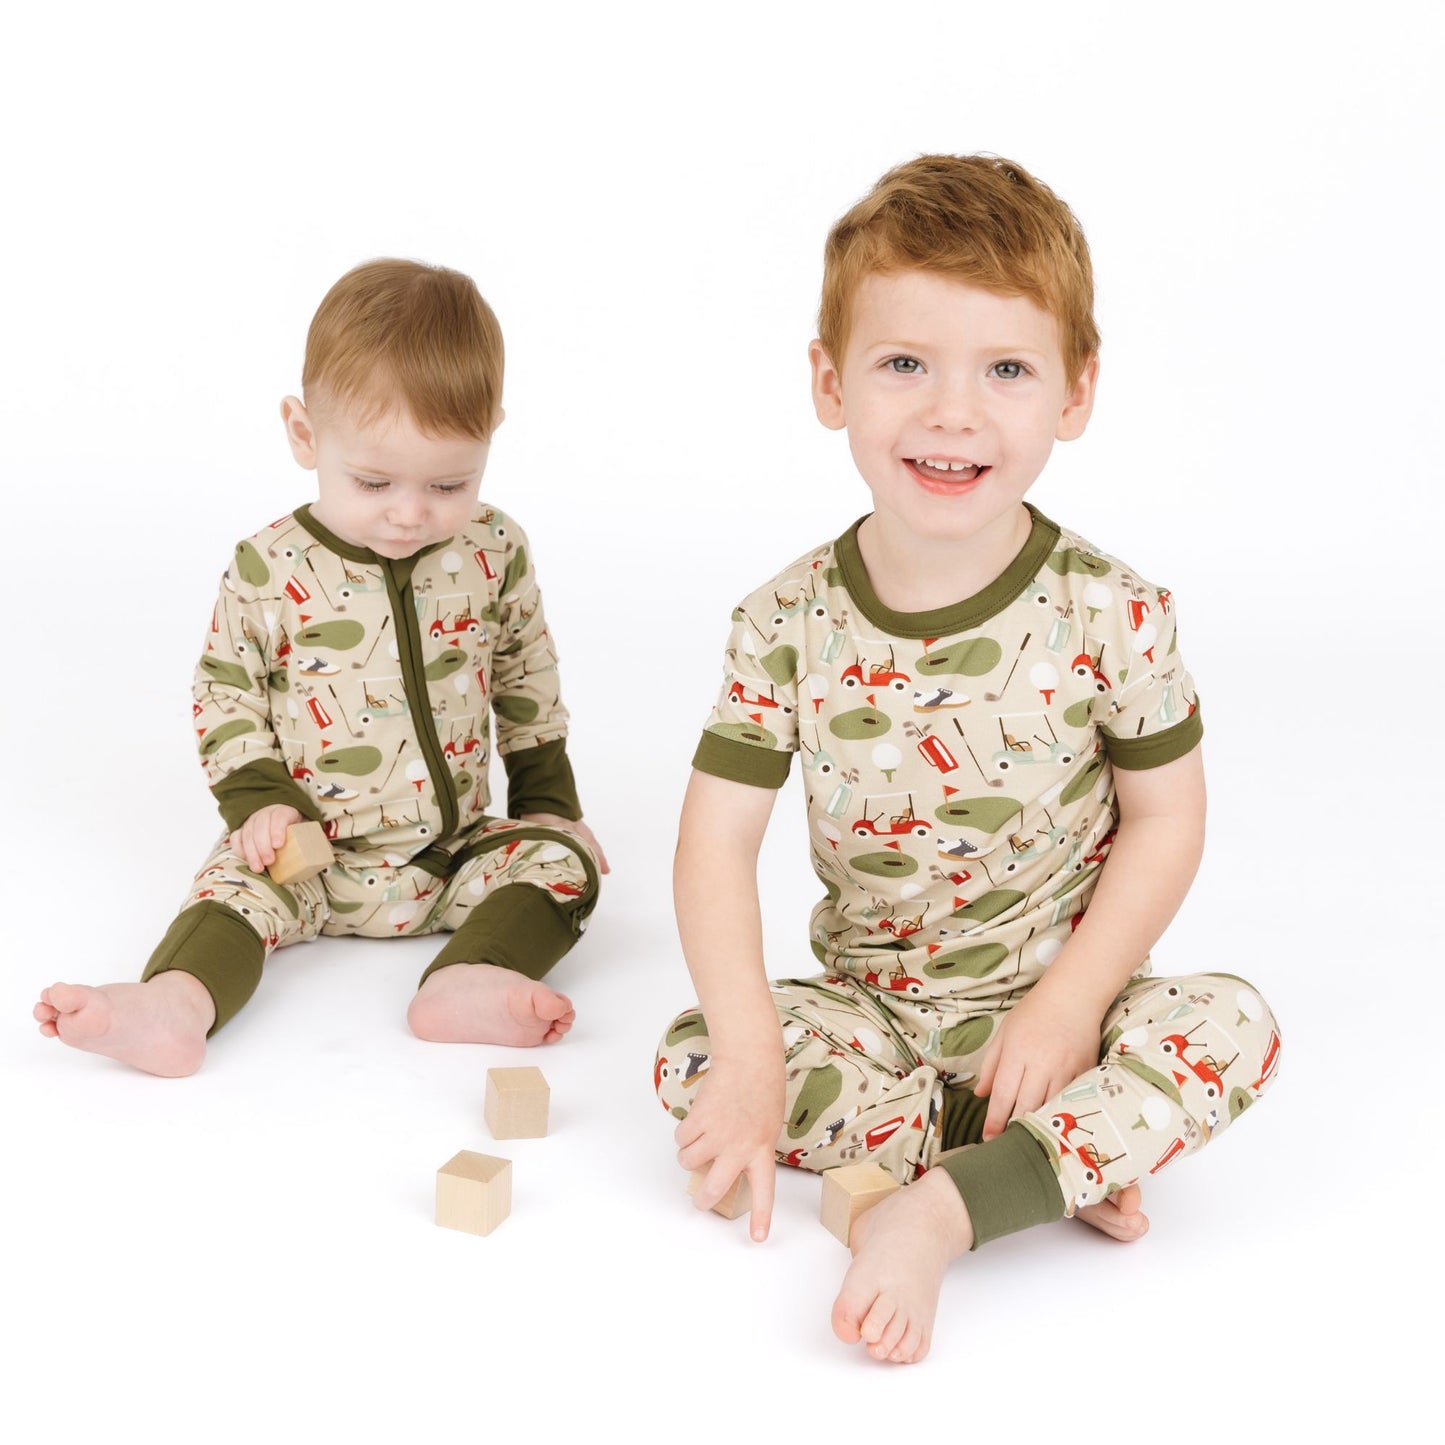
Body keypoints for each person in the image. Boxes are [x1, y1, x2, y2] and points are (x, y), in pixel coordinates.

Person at [655, 155, 1279, 1365]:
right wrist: (744, 1059)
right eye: (904, 365)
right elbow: (715, 839)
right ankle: (1038, 1161)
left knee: (1231, 1023)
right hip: (875, 1015)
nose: (952, 412)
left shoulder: (1113, 612)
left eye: (1004, 369)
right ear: (831, 385)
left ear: (1074, 391)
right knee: (687, 1053)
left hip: (1069, 1011)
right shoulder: (781, 622)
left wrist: (1066, 1002)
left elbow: (1166, 820)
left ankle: (941, 1206)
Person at [36, 259, 606, 1076]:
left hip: (450, 855)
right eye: (372, 479)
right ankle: (176, 1002)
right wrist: (259, 800)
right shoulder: (269, 566)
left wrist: (549, 803)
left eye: (450, 481)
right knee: (231, 887)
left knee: (568, 860)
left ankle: (472, 974)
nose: (411, 512)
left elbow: (525, 672)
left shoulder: (493, 548)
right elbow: (223, 689)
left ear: (492, 433)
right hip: (307, 853)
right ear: (305, 434)